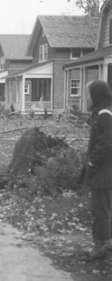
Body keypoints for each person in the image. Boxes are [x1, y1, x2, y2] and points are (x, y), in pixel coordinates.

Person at [82, 80, 112, 260]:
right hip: (106, 171)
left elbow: (108, 142)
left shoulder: (104, 114)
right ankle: (106, 243)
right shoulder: (104, 112)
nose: (87, 98)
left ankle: (100, 247)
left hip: (104, 172)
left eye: (89, 94)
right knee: (105, 208)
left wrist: (92, 161)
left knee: (100, 210)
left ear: (96, 95)